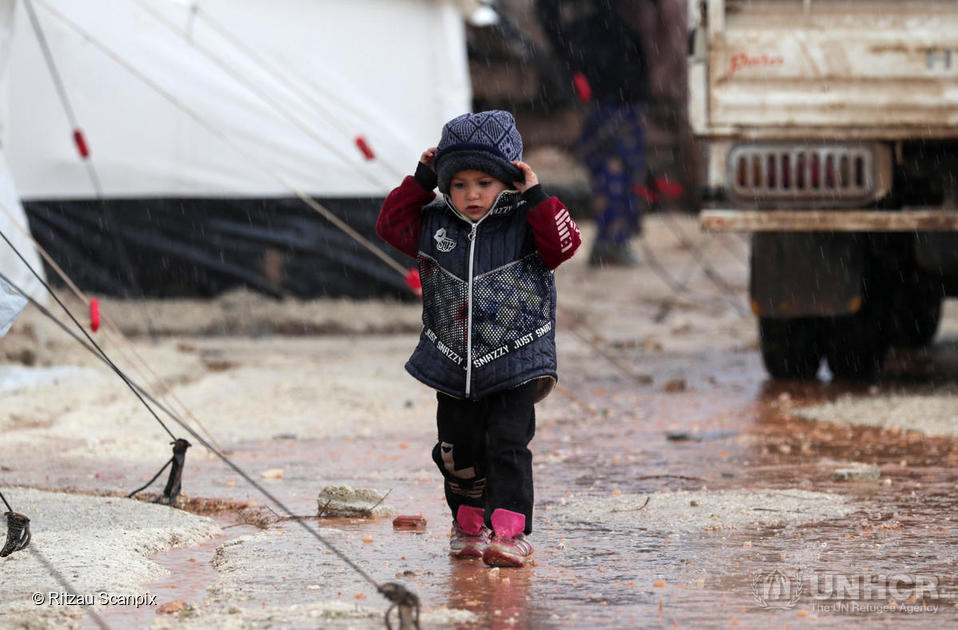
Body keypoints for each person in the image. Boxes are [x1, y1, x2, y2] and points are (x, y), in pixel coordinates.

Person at [376, 110, 581, 568]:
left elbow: (564, 246)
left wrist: (537, 196)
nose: (472, 195)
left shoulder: (527, 221)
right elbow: (390, 227)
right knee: (458, 449)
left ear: (508, 181)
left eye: (484, 183)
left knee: (508, 443)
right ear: (445, 186)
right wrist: (420, 180)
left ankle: (508, 533)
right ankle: (468, 525)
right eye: (460, 184)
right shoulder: (434, 223)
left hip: (516, 358)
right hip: (452, 361)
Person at [536, 0, 656, 266]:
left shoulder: (609, 24)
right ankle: (610, 241)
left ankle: (615, 239)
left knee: (622, 165)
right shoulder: (588, 26)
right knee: (613, 165)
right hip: (605, 83)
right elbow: (549, 17)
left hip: (620, 81)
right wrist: (572, 60)